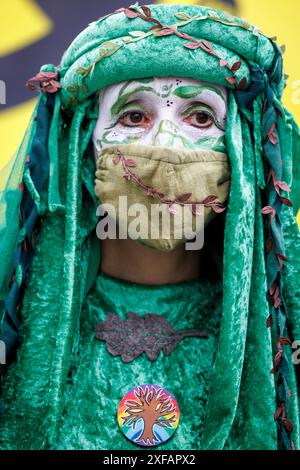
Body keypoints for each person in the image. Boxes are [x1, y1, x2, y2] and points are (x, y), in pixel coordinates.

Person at [0, 2, 299, 450]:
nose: (165, 147)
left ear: (244, 155)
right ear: (84, 149)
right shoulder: (14, 325)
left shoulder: (284, 337)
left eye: (201, 117)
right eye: (133, 116)